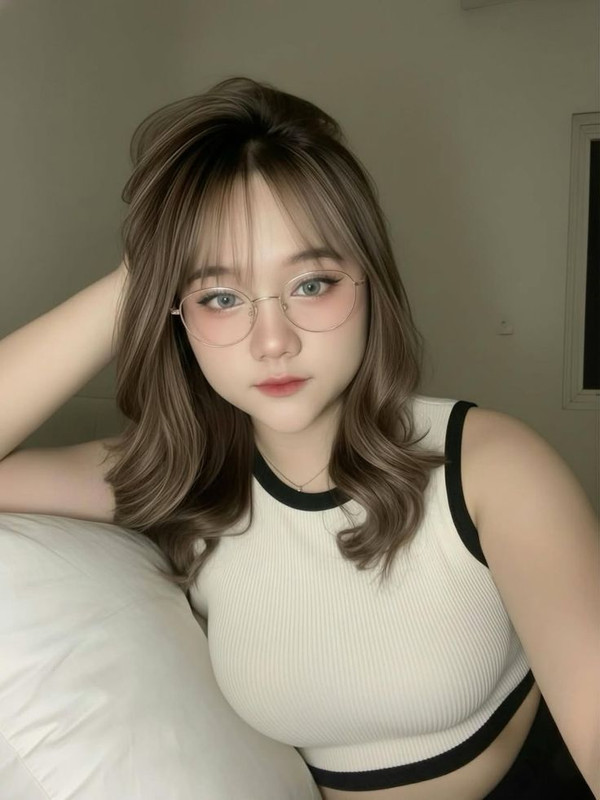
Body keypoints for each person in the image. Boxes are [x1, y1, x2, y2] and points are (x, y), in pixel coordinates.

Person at [0, 76, 597, 800]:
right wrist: (143, 274)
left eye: (312, 283)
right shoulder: (187, 478)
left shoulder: (490, 467)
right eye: (221, 297)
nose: (272, 341)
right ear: (176, 314)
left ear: (369, 282)